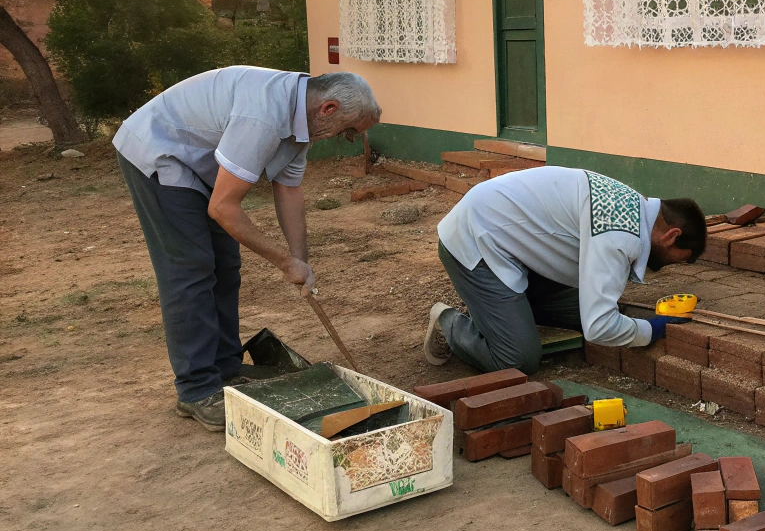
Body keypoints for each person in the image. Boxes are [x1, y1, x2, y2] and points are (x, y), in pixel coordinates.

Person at [114, 67, 381, 429]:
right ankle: (195, 389)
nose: (344, 139)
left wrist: (301, 259)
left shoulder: (301, 122)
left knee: (225, 264)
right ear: (329, 109)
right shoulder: (265, 115)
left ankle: (224, 370)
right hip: (160, 150)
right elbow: (224, 207)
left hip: (200, 166)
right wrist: (284, 262)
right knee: (190, 268)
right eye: (349, 131)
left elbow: (289, 190)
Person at [423, 166, 707, 375]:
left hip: (514, 247)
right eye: (676, 259)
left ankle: (497, 314)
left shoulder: (634, 209)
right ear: (671, 236)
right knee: (518, 360)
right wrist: (650, 330)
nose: (669, 267)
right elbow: (599, 328)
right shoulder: (620, 236)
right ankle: (449, 323)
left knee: (605, 312)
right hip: (474, 242)